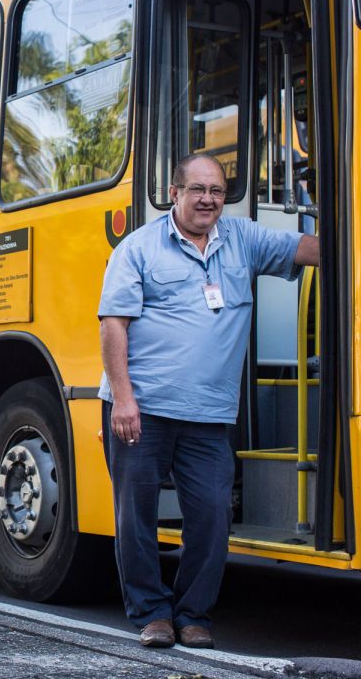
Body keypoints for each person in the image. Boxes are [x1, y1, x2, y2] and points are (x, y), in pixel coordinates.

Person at [98, 154, 319, 649]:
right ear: (173, 194)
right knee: (136, 517)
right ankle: (151, 613)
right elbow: (114, 325)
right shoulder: (138, 249)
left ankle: (194, 613)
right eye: (197, 189)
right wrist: (124, 401)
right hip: (143, 408)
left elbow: (309, 248)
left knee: (212, 515)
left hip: (208, 415)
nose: (207, 200)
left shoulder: (243, 240)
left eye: (217, 191)